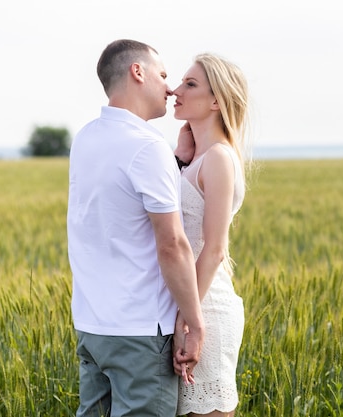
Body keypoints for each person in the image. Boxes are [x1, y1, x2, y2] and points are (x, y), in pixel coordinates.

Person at [67, 39, 205, 417]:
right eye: (162, 74)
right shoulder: (146, 147)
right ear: (137, 72)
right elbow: (172, 246)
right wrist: (194, 321)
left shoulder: (87, 139)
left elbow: (117, 210)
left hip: (93, 326)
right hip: (141, 331)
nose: (170, 86)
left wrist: (174, 160)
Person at [171, 53, 250, 417]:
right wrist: (181, 160)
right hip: (190, 307)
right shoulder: (197, 158)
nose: (175, 91)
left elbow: (215, 248)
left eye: (190, 84)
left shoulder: (218, 157)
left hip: (207, 311)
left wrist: (187, 318)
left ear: (216, 100)